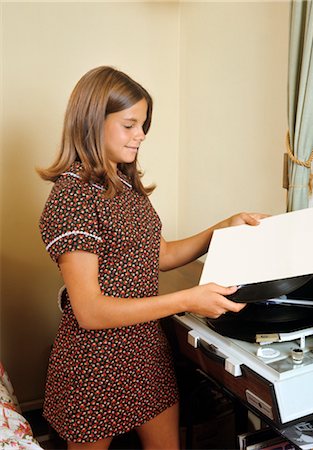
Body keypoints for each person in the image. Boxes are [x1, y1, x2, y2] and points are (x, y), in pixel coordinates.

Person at [38, 66, 267, 450]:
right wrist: (187, 299)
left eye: (143, 125)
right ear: (93, 122)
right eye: (129, 125)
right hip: (95, 363)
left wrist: (221, 229)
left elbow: (159, 254)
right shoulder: (72, 197)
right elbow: (89, 311)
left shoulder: (126, 185)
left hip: (145, 350)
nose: (141, 135)